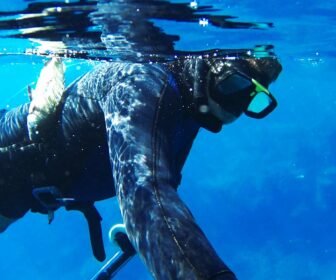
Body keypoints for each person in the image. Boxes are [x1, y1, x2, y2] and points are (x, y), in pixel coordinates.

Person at [0, 51, 282, 279]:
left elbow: (163, 181)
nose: (235, 106)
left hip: (33, 186)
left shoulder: (192, 103)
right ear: (209, 65)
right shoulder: (144, 85)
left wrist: (157, 235)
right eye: (234, 85)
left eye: (252, 98)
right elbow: (145, 192)